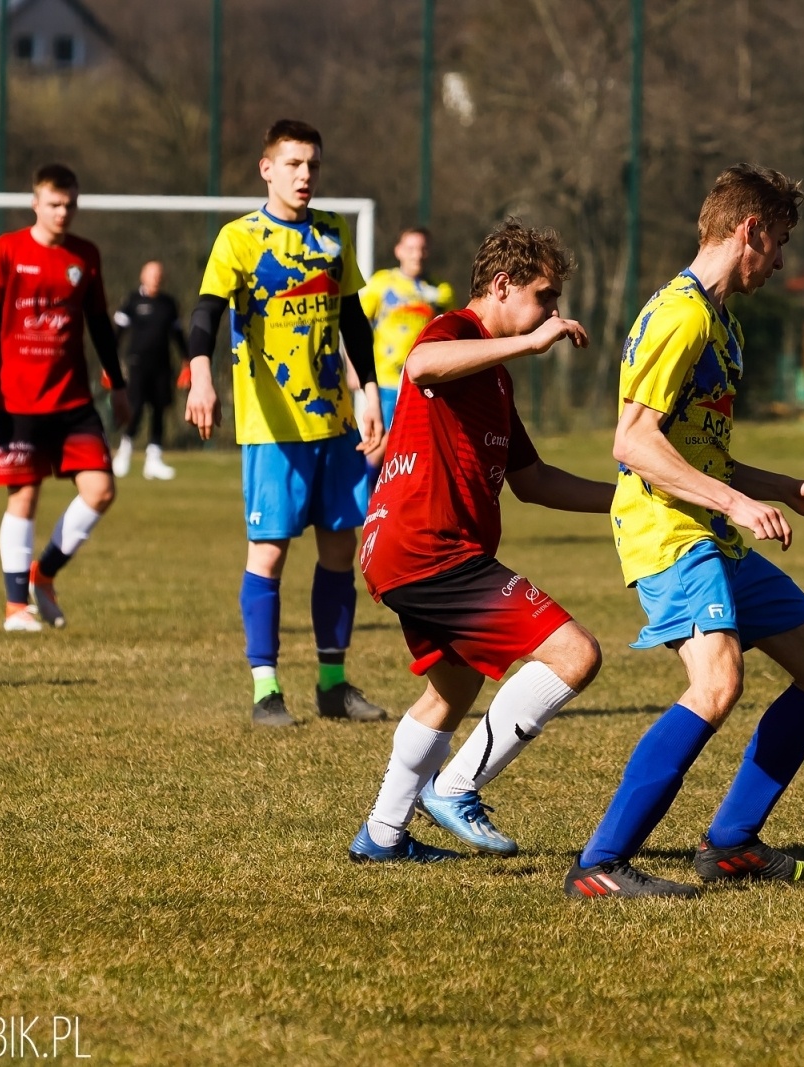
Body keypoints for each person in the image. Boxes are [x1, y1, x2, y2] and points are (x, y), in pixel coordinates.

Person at [567, 164, 804, 900]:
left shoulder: (719, 321)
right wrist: (731, 503)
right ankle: (600, 864)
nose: (783, 261)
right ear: (748, 231)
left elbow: (702, 449)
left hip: (711, 526)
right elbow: (633, 443)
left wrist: (784, 489)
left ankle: (730, 841)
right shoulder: (681, 316)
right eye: (781, 242)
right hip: (669, 531)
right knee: (718, 681)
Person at [349, 222, 613, 863]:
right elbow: (421, 364)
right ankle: (455, 788)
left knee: (452, 688)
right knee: (576, 655)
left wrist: (630, 500)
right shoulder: (456, 332)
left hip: (409, 550)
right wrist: (527, 342)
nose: (553, 312)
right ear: (502, 286)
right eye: (544, 297)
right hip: (427, 548)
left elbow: (534, 480)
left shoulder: (495, 376)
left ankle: (382, 835)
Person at [184, 119, 389, 727]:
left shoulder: (331, 234)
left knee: (337, 551)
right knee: (268, 553)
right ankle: (265, 689)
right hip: (271, 429)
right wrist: (200, 374)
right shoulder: (239, 239)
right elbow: (204, 314)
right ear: (266, 168)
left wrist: (370, 391)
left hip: (335, 422)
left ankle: (332, 683)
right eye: (294, 164)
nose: (305, 176)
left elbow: (354, 319)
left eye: (314, 166)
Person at [0, 164, 131, 633]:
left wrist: (117, 388)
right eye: (54, 203)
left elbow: (99, 325)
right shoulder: (7, 250)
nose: (63, 212)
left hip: (73, 399)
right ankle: (16, 607)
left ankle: (45, 574)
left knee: (101, 490)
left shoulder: (85, 256)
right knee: (26, 495)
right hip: (16, 400)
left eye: (71, 204)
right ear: (35, 203)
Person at [357, 226, 455, 474]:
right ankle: (364, 499)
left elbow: (452, 334)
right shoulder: (381, 283)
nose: (417, 255)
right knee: (380, 442)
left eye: (422, 248)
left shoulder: (440, 291)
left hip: (424, 382)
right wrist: (352, 368)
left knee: (413, 450)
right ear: (398, 251)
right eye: (411, 248)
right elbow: (355, 326)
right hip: (387, 379)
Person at [111, 260, 187, 480]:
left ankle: (154, 459)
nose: (155, 279)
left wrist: (187, 359)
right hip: (137, 364)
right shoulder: (132, 301)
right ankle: (123, 454)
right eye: (151, 274)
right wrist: (110, 363)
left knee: (159, 409)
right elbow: (118, 334)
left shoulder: (169, 304)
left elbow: (178, 335)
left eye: (159, 275)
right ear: (142, 276)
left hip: (162, 366)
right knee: (134, 408)